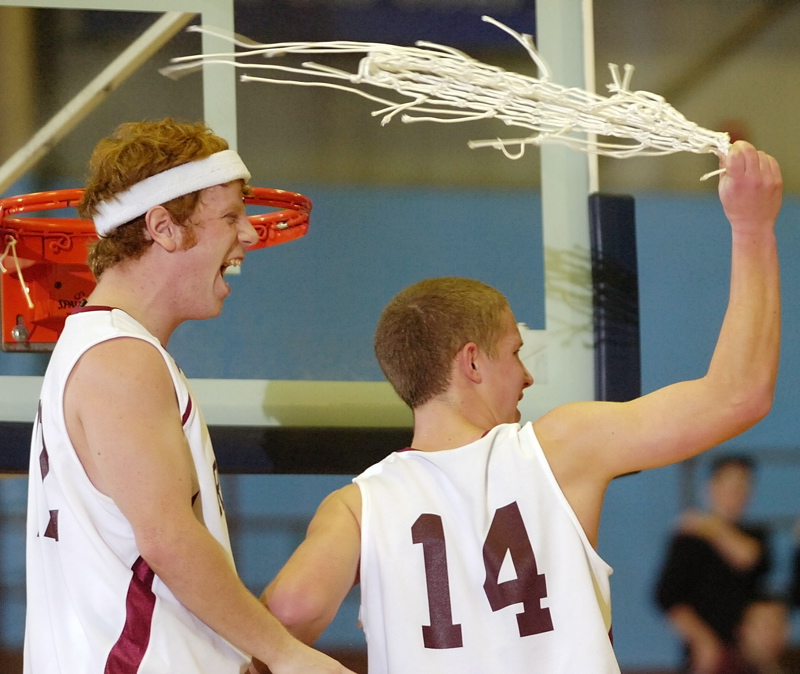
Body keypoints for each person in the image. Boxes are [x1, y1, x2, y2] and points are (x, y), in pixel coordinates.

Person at [256, 140, 782, 674]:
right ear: (472, 363)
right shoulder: (560, 447)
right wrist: (753, 227)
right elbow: (739, 394)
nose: (528, 374)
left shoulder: (357, 506)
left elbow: (289, 611)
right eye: (514, 352)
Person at [24, 118, 355, 674]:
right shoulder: (120, 358)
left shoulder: (107, 347)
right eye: (229, 217)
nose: (248, 235)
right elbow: (168, 540)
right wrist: (284, 655)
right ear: (163, 228)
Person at [654, 455, 772, 674]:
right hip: (705, 653)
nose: (737, 493)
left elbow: (748, 558)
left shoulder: (756, 535)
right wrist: (702, 641)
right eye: (730, 485)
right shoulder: (688, 540)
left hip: (749, 652)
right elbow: (666, 597)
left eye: (743, 486)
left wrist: (707, 526)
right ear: (711, 487)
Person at [713, 594, 796, 674]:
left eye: (778, 627)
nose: (771, 635)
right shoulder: (718, 664)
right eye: (765, 627)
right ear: (741, 631)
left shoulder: (786, 668)